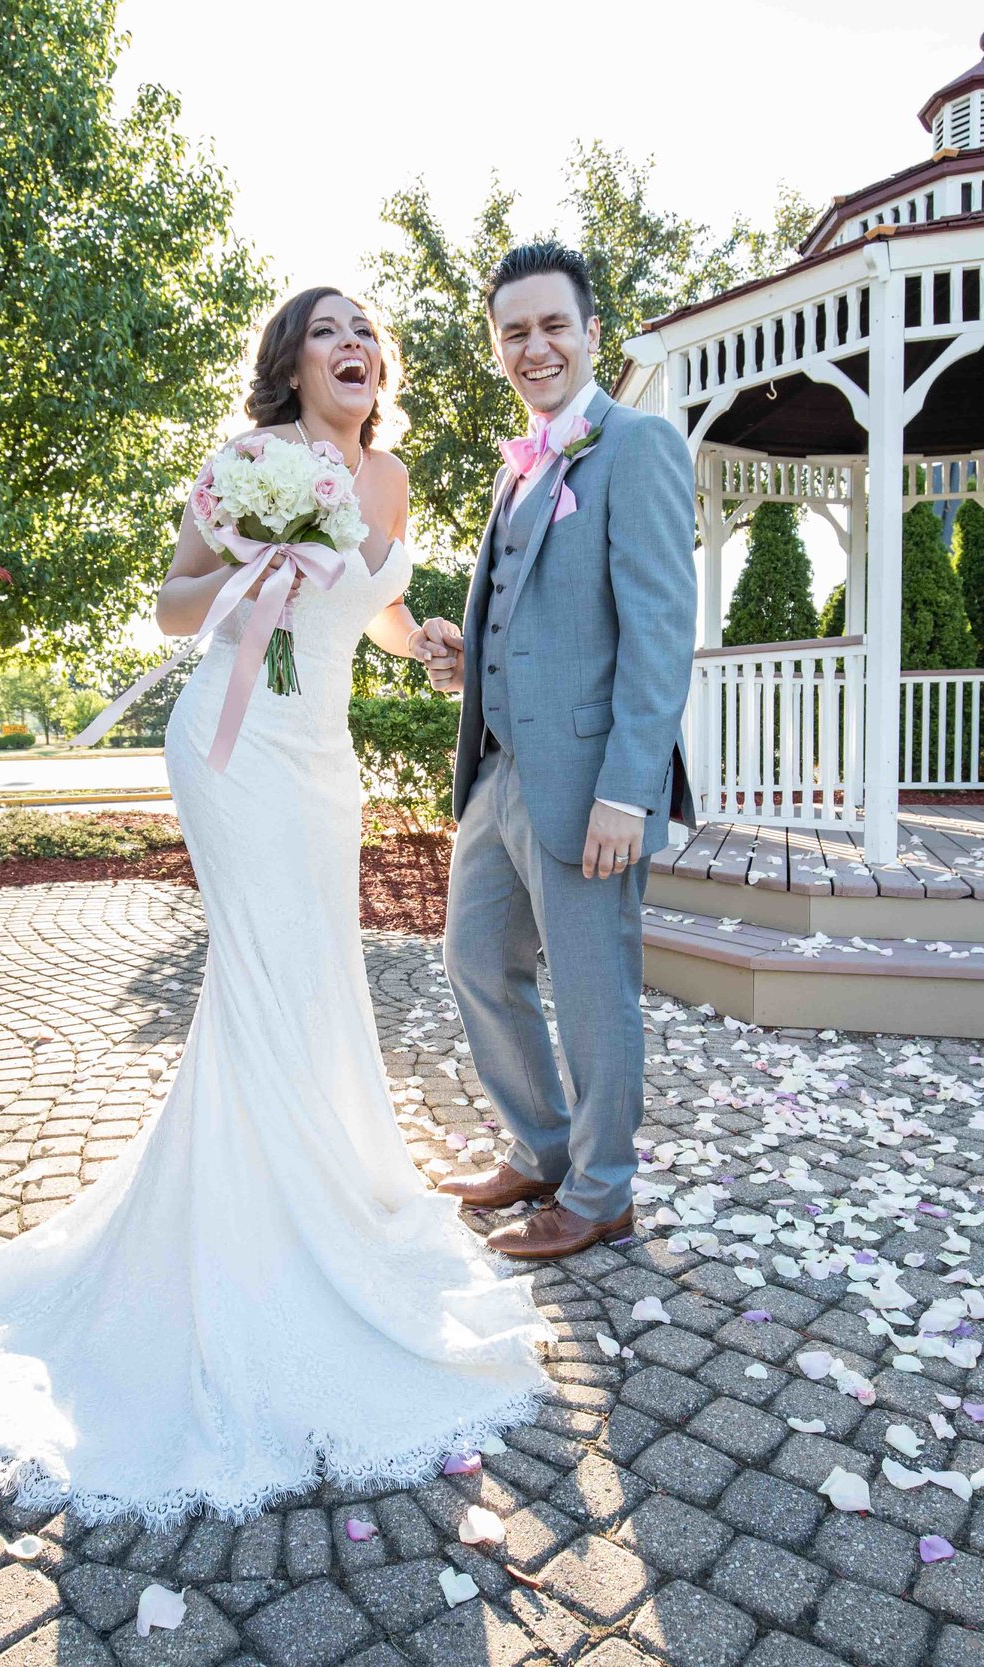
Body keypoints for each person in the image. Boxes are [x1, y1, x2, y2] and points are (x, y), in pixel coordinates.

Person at [0, 288, 554, 1526]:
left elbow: (364, 608)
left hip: (320, 756)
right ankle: (257, 1246)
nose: (353, 345)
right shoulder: (243, 462)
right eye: (326, 331)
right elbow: (171, 606)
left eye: (365, 331)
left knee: (316, 975)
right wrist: (250, 562)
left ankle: (307, 1191)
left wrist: (420, 641)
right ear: (291, 362)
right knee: (260, 969)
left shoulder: (394, 478)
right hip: (230, 738)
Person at [413, 242, 698, 1261]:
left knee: (591, 987)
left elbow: (659, 631)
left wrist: (631, 788)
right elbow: (541, 622)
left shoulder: (639, 444)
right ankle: (540, 1149)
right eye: (513, 331)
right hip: (498, 771)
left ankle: (603, 1188)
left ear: (589, 332)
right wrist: (466, 659)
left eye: (551, 325)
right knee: (476, 960)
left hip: (587, 783)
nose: (533, 346)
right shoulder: (524, 464)